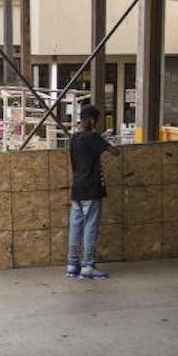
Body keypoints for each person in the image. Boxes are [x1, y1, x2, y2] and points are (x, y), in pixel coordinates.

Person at [66, 103, 119, 280]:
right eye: (95, 121)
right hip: (92, 189)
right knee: (90, 227)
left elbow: (84, 154)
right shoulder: (93, 137)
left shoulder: (73, 138)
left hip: (77, 189)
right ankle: (88, 266)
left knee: (75, 227)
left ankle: (72, 265)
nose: (95, 124)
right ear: (91, 120)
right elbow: (115, 152)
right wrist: (106, 140)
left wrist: (99, 139)